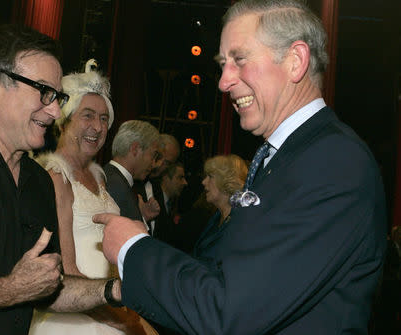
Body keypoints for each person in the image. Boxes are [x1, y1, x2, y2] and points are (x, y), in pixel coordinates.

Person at [94, 0, 387, 334]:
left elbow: (230, 311)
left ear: (295, 61)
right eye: (223, 64)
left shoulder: (334, 162)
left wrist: (135, 249)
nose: (223, 81)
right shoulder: (288, 155)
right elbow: (227, 274)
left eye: (239, 60)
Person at [0, 25, 122, 335]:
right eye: (44, 92)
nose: (55, 110)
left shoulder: (38, 180)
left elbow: (48, 289)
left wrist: (113, 290)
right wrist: (9, 289)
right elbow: (20, 288)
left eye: (57, 96)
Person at [29, 65, 153, 334]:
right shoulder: (54, 177)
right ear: (64, 120)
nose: (97, 127)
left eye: (105, 119)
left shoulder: (100, 178)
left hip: (107, 305)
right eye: (88, 116)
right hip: (74, 319)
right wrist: (121, 319)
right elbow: (67, 274)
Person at [103, 120, 161, 227]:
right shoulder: (117, 186)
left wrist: (142, 216)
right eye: (153, 155)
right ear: (135, 149)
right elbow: (124, 239)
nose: (153, 164)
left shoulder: (113, 178)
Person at [195, 154, 247, 243]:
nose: (204, 182)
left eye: (210, 176)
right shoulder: (214, 220)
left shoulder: (240, 225)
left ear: (227, 181)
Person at [152, 161, 188, 248]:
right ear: (166, 178)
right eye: (180, 178)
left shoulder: (172, 204)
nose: (185, 183)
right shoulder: (152, 200)